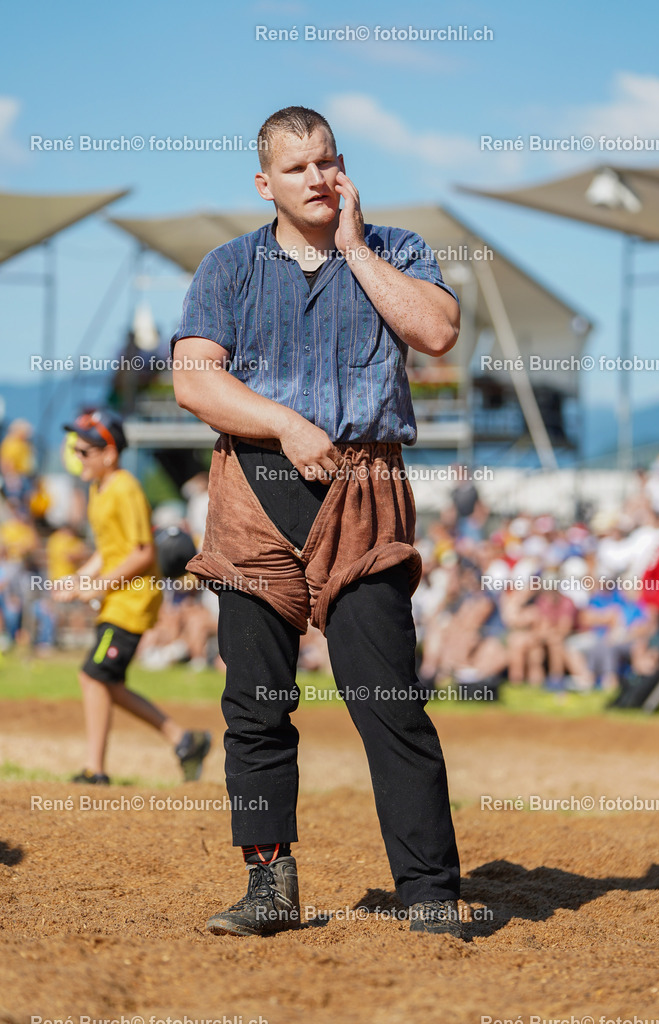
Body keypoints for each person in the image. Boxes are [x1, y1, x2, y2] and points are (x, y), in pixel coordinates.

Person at [171, 106, 462, 937]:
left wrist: (356, 250)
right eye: (297, 167)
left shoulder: (397, 247)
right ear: (265, 183)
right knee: (254, 704)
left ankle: (428, 892)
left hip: (363, 489)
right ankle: (269, 886)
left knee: (388, 700)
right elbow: (194, 380)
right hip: (254, 487)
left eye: (327, 161)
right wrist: (286, 425)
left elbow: (435, 331)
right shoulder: (228, 266)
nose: (317, 178)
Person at [54, 410, 211, 784]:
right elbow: (109, 550)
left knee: (93, 676)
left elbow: (142, 553)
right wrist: (80, 577)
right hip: (117, 599)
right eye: (76, 450)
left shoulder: (125, 488)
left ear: (110, 453)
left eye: (85, 451)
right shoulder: (98, 489)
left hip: (133, 601)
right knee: (107, 681)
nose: (77, 457)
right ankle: (184, 740)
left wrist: (99, 585)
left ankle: (95, 770)